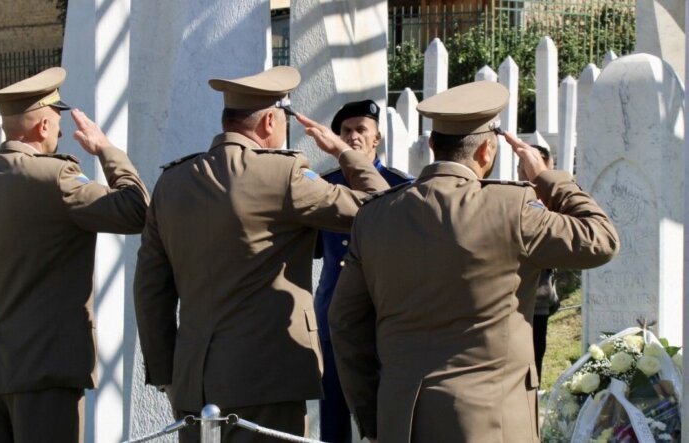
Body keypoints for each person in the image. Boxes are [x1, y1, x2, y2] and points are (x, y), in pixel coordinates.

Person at [329, 81, 620, 442]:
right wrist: (547, 179)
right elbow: (601, 239)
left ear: (433, 146)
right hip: (491, 420)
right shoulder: (511, 208)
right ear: (487, 151)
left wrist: (375, 416)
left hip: (402, 418)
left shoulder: (374, 217)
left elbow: (344, 322)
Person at [133, 66, 389, 442]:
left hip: (194, 383)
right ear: (270, 120)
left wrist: (168, 376)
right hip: (270, 379)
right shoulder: (283, 175)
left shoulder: (172, 182)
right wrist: (344, 153)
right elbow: (381, 207)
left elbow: (149, 289)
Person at [0, 67, 149, 443]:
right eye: (57, 120)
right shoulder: (57, 178)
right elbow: (137, 209)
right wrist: (105, 149)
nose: (58, 130)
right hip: (46, 371)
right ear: (42, 127)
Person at [315, 99, 412, 443]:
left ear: (377, 139)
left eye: (361, 130)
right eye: (345, 131)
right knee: (334, 418)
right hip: (333, 318)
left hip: (383, 315)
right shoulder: (322, 186)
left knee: (387, 415)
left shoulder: (401, 185)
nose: (353, 137)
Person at [517, 143, 561, 384]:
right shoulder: (516, 202)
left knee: (535, 369)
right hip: (516, 301)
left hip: (540, 301)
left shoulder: (553, 205)